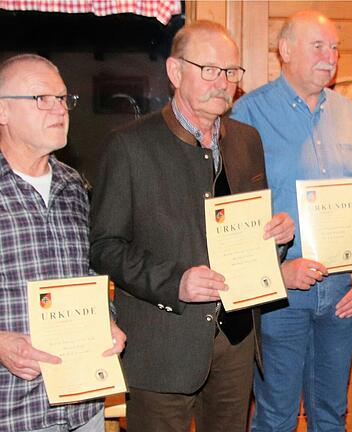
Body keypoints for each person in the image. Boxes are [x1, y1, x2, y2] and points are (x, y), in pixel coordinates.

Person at [89, 21, 294, 431]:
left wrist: (278, 239)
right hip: (162, 347)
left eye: (232, 72)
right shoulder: (129, 146)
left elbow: (250, 238)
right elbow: (104, 247)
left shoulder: (246, 140)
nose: (223, 83)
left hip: (236, 342)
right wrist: (174, 282)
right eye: (210, 69)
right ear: (174, 71)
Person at [230, 10, 352, 432]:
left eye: (335, 48)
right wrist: (276, 270)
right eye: (319, 46)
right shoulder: (248, 115)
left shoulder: (350, 113)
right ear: (285, 50)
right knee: (274, 416)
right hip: (281, 293)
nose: (329, 56)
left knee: (331, 413)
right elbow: (232, 215)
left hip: (343, 291)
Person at [0, 54, 126, 432]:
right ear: (2, 112)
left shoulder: (73, 185)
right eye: (42, 99)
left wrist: (107, 318)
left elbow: (86, 271)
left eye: (63, 99)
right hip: (14, 409)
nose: (60, 109)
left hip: (82, 404)